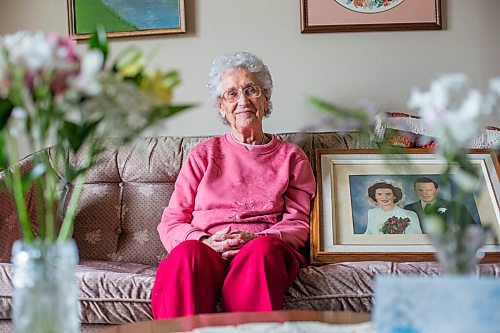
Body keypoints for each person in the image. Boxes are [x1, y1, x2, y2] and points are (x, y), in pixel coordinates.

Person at [151, 52, 316, 319]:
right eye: (231, 94)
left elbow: (299, 223)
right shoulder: (203, 155)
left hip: (264, 249)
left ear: (266, 98)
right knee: (187, 255)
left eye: (251, 90)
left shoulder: (291, 157)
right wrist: (205, 240)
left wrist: (260, 238)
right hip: (208, 249)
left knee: (261, 253)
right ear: (221, 107)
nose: (243, 101)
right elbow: (172, 221)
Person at [404, 177, 478, 232]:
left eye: (429, 190)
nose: (425, 194)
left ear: (437, 190)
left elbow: (474, 230)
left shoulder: (456, 207)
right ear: (415, 191)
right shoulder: (408, 209)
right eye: (420, 190)